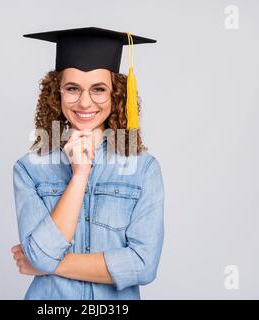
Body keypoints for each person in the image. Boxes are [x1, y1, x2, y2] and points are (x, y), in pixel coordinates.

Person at [11, 27, 165, 300]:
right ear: (55, 93)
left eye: (99, 89)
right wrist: (80, 175)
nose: (84, 102)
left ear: (116, 94)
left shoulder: (143, 169)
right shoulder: (30, 169)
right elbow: (39, 255)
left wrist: (46, 263)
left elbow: (143, 265)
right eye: (72, 88)